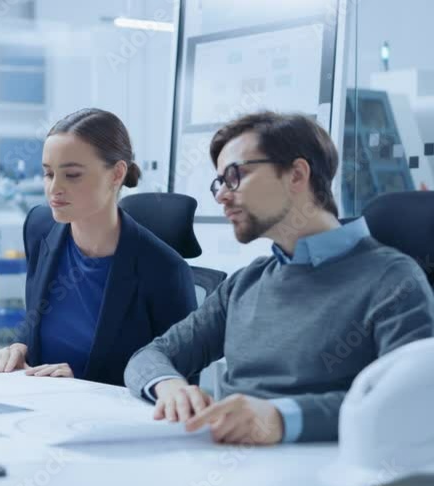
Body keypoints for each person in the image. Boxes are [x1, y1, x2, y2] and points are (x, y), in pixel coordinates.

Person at [124, 111, 434, 445]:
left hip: (323, 476)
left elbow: (411, 402)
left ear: (296, 175)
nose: (221, 196)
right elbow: (148, 357)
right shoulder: (246, 282)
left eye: (235, 176)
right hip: (225, 464)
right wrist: (169, 384)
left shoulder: (393, 279)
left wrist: (281, 418)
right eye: (219, 183)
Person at [0, 108, 197, 383]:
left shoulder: (165, 270)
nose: (54, 188)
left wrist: (85, 383)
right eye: (49, 174)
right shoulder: (40, 227)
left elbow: (180, 386)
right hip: (41, 405)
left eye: (72, 175)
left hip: (114, 421)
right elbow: (39, 321)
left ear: (116, 174)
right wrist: (20, 346)